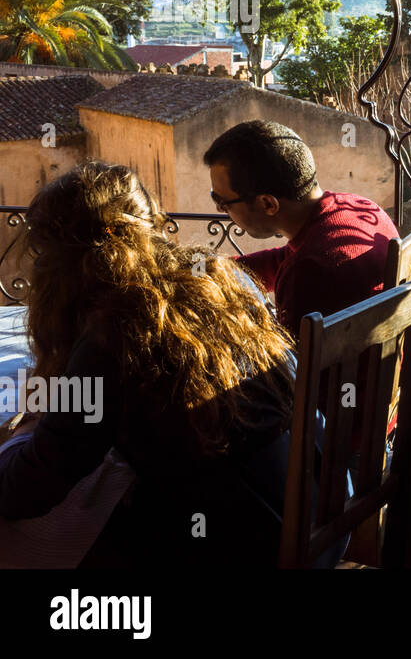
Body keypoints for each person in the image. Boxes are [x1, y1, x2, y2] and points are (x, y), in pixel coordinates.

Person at [0, 162, 312, 566]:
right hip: (304, 508)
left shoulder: (113, 334)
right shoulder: (220, 280)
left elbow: (39, 481)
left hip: (242, 542)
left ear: (59, 261)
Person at [204, 120, 399, 339]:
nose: (220, 209)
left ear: (268, 204)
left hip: (329, 373)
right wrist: (209, 269)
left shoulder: (307, 272)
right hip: (380, 366)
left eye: (223, 201)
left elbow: (290, 365)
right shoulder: (357, 207)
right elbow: (283, 259)